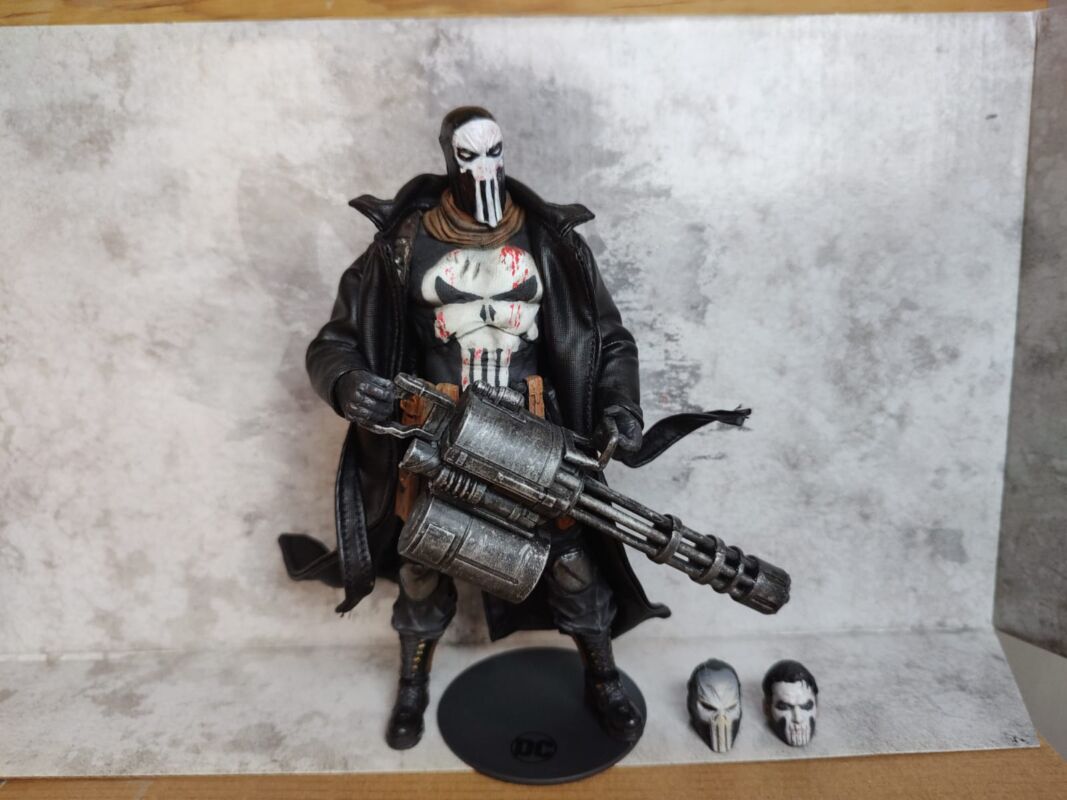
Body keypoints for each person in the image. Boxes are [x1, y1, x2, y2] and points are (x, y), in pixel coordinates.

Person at [279, 107, 670, 750]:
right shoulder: (404, 243)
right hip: (438, 428)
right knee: (422, 562)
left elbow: (609, 340)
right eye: (469, 156)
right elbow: (336, 341)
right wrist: (347, 382)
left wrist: (620, 408)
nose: (485, 169)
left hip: (533, 427)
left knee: (569, 559)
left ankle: (601, 675)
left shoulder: (549, 241)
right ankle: (413, 682)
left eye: (494, 152)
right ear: (449, 158)